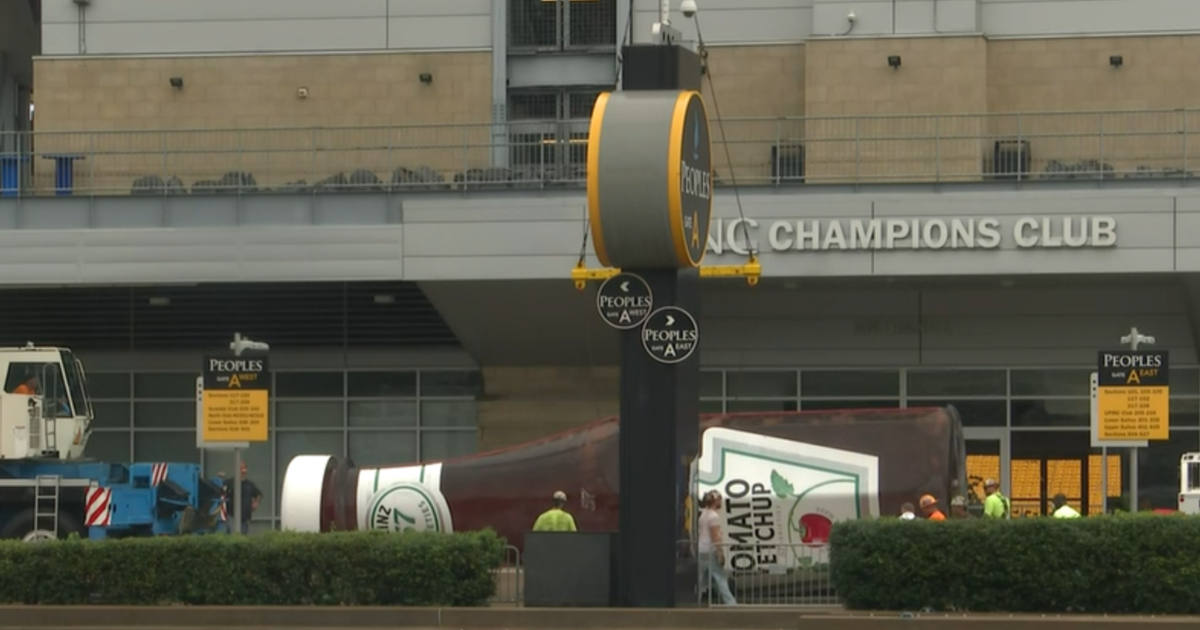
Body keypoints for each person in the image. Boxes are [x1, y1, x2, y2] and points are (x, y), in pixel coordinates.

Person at [696, 490, 736, 605]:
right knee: (720, 577)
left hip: (701, 549)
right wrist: (720, 553)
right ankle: (731, 604)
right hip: (711, 550)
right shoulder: (714, 516)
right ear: (715, 500)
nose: (721, 502)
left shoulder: (703, 514)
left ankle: (695, 602)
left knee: (702, 580)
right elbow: (715, 535)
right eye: (720, 499)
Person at [223, 462, 262, 535]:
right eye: (241, 468)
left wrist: (255, 503)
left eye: (244, 468)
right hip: (232, 515)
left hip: (245, 517)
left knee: (242, 536)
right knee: (234, 535)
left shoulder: (249, 484)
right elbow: (220, 491)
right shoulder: (230, 483)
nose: (243, 470)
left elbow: (258, 494)